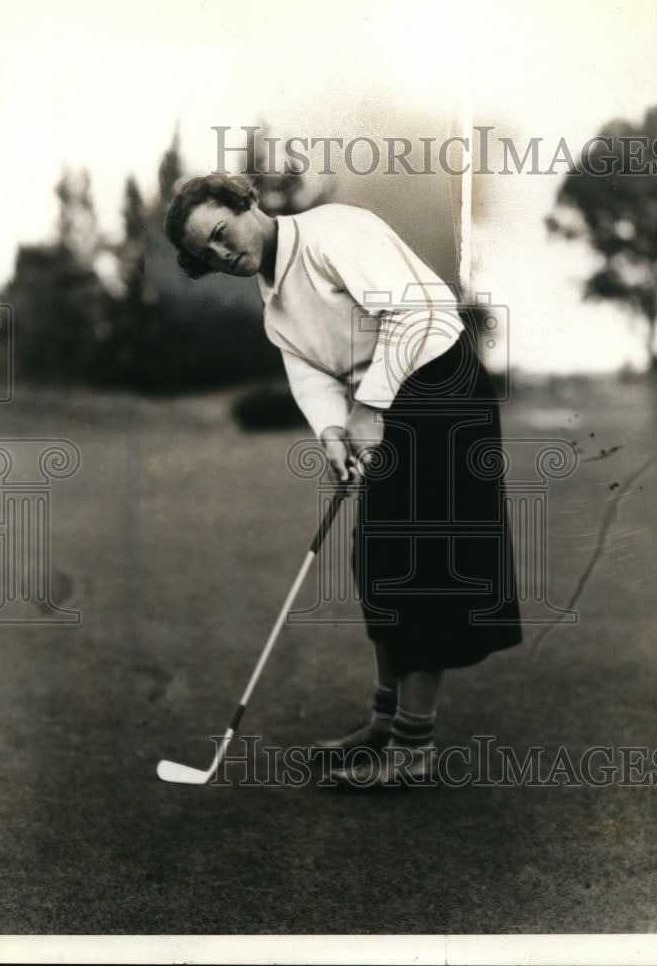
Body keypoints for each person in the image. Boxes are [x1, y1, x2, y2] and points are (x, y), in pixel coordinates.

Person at [164, 174, 522, 787]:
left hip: (441, 388)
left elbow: (416, 309)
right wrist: (332, 430)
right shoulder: (272, 295)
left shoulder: (334, 231)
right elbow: (307, 368)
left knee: (419, 566)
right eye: (207, 254)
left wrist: (370, 409)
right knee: (377, 559)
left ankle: (413, 751)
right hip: (386, 403)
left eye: (221, 233)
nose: (221, 254)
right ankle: (385, 724)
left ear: (247, 202)